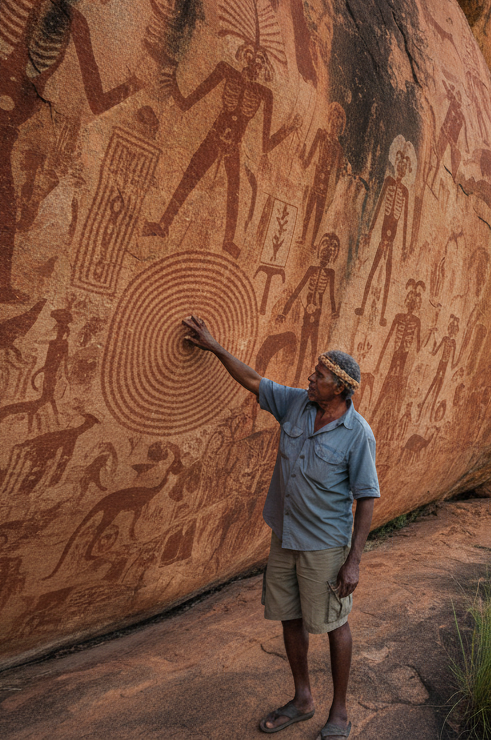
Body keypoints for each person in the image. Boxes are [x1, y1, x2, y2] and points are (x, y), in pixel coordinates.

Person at [182, 315, 377, 739]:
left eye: (320, 375)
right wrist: (214, 347)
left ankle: (339, 711)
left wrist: (353, 561)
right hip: (285, 535)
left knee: (333, 624)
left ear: (339, 388)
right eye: (314, 371)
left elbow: (367, 498)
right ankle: (303, 698)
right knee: (289, 618)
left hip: (324, 545)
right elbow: (254, 381)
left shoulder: (356, 434)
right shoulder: (296, 404)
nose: (311, 377)